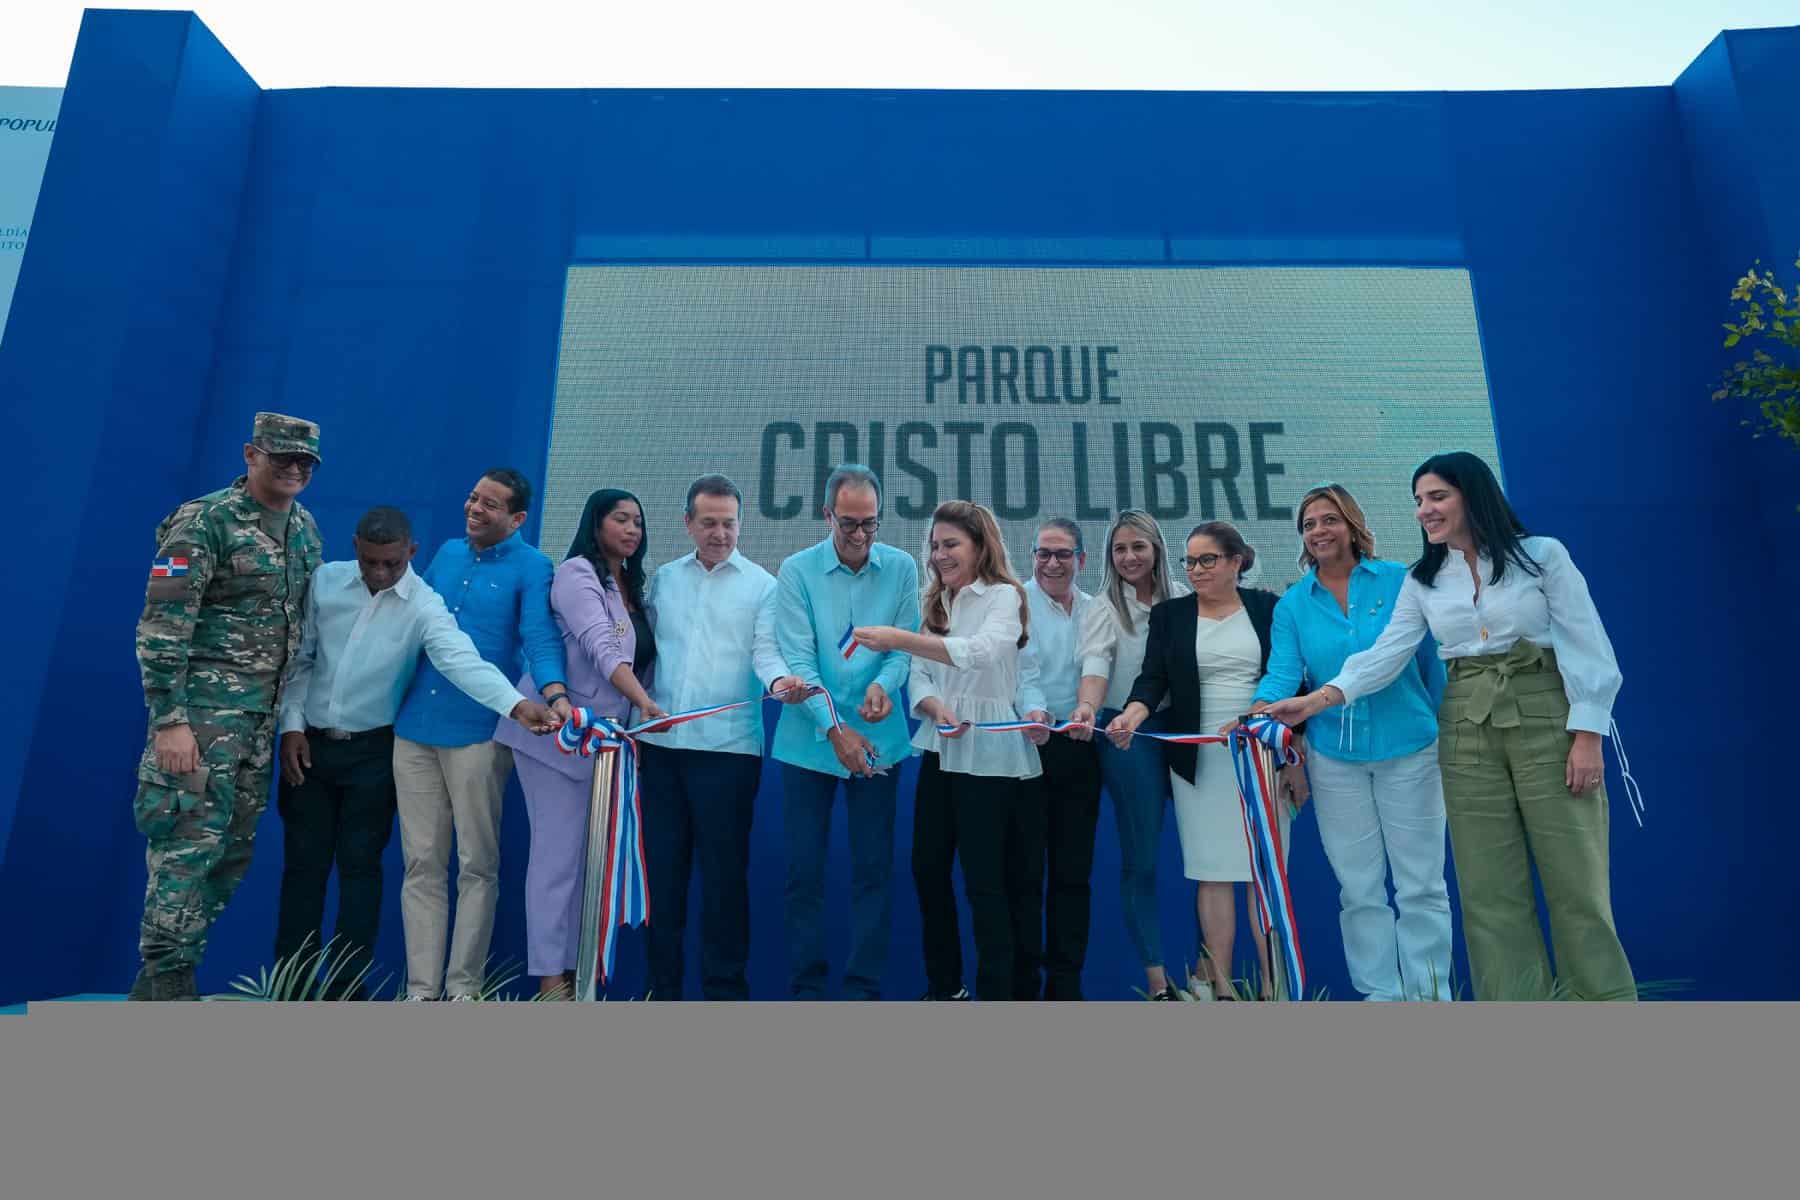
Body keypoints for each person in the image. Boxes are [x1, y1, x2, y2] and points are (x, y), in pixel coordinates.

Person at [1265, 452, 1635, 1001]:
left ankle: (1601, 1004)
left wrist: (1587, 736)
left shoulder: (1542, 556)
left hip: (1544, 714)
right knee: (1487, 887)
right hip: (1465, 725)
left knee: (1574, 879)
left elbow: (1588, 646)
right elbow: (1385, 656)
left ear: (1473, 495)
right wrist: (1315, 702)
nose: (1424, 510)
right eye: (1419, 501)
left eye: (1437, 496)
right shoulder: (1424, 579)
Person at [273, 507, 559, 997]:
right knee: (303, 869)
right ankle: (289, 991)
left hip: (372, 753)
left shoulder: (425, 605)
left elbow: (461, 661)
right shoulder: (325, 582)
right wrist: (292, 726)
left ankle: (346, 994)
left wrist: (515, 705)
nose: (381, 573)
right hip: (309, 748)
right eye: (370, 562)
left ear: (412, 552)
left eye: (392, 563)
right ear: (355, 548)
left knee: (361, 872)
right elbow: (301, 659)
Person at [129, 411, 325, 1001]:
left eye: (305, 462)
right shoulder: (203, 522)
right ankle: (169, 981)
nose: (293, 469)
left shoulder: (304, 529)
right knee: (185, 851)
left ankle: (155, 990)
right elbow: (161, 628)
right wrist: (170, 723)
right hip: (200, 722)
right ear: (250, 454)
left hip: (258, 727)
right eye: (281, 457)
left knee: (229, 856)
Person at [1243, 484, 1452, 1001]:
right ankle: (1380, 997)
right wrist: (1256, 712)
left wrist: (1440, 727)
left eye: (1329, 519)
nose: (1319, 531)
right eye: (1309, 524)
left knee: (1421, 886)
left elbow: (1431, 666)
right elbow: (1284, 673)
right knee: (1359, 891)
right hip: (1335, 761)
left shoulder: (1401, 580)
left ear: (1353, 525)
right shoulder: (1293, 604)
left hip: (1412, 752)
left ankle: (1430, 998)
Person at [391, 468, 570, 1002]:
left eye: (490, 504)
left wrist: (556, 694)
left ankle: (464, 991)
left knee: (476, 865)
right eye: (472, 498)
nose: (474, 508)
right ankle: (421, 993)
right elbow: (408, 622)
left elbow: (539, 636)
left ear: (517, 518)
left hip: (479, 731)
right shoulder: (447, 553)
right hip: (414, 727)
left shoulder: (534, 566)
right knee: (421, 863)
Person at [856, 501, 1041, 1001]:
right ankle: (946, 989)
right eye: (935, 546)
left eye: (951, 544)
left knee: (985, 880)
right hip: (941, 749)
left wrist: (899, 639)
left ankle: (997, 995)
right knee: (927, 868)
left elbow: (982, 652)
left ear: (980, 546)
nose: (940, 555)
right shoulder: (934, 601)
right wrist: (935, 707)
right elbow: (920, 675)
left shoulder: (1005, 596)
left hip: (991, 752)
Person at [1107, 521, 1292, 1001]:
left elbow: (1293, 677)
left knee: (1262, 874)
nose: (1195, 570)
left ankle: (1273, 991)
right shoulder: (1169, 615)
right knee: (1212, 872)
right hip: (1198, 761)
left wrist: (1293, 757)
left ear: (1236, 562)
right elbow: (1153, 679)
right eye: (1189, 561)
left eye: (1207, 559)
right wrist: (1132, 713)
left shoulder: (1269, 608)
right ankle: (1222, 991)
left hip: (1260, 756)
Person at [635, 475, 803, 1001]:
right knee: (662, 882)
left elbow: (766, 652)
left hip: (728, 756)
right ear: (687, 523)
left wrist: (779, 682)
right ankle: (662, 994)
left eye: (729, 523)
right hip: (660, 753)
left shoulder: (763, 586)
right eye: (708, 523)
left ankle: (725, 996)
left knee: (724, 883)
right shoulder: (663, 580)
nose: (720, 533)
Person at [495, 488, 665, 998]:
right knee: (557, 862)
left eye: (638, 521)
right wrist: (646, 703)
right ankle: (552, 984)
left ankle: (578, 975)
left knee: (589, 863)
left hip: (605, 749)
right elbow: (601, 646)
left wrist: (639, 722)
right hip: (555, 737)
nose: (632, 529)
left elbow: (642, 662)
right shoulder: (576, 574)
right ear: (595, 523)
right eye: (621, 519)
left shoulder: (634, 588)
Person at [770, 464, 920, 1000]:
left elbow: (903, 646)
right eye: (849, 523)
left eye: (870, 524)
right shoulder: (796, 570)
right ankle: (808, 993)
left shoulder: (901, 567)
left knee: (873, 872)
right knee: (803, 874)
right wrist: (836, 730)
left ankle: (862, 993)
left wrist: (883, 685)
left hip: (880, 740)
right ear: (827, 515)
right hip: (808, 742)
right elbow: (798, 659)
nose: (860, 535)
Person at [1065, 510, 1185, 1000]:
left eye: (1138, 546)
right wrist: (1087, 707)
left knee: (1212, 860)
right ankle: (1158, 984)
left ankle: (1210, 973)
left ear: (1157, 549)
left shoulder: (1186, 597)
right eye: (1120, 549)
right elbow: (1096, 667)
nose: (1129, 557)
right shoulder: (1103, 608)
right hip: (1125, 734)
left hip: (1185, 730)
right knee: (1142, 861)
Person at [1013, 518, 1102, 1000]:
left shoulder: (1096, 609)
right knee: (1025, 875)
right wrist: (1034, 714)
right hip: (1027, 748)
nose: (1052, 563)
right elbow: (1021, 673)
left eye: (1063, 554)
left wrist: (1086, 710)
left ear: (1081, 560)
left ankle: (1066, 986)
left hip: (1080, 750)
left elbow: (1097, 666)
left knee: (1073, 876)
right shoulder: (1016, 603)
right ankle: (1025, 986)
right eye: (1043, 553)